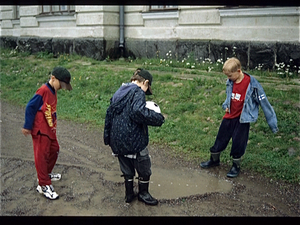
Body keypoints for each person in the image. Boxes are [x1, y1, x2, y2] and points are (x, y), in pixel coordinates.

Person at [200, 57, 278, 178]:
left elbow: (265, 104)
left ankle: (235, 166)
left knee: (238, 142)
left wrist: (272, 124)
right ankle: (214, 160)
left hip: (243, 119)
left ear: (239, 71)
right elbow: (229, 96)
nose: (228, 78)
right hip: (229, 116)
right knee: (220, 138)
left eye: (230, 75)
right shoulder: (230, 81)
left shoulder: (252, 84)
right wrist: (226, 105)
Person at [104, 68, 165, 205]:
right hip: (133, 138)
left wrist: (108, 137)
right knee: (144, 165)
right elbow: (137, 111)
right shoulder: (137, 91)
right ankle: (143, 193)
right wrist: (157, 118)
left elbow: (109, 114)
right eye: (147, 88)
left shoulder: (120, 91)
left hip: (117, 139)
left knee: (126, 166)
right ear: (146, 82)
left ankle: (129, 193)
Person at [22, 66, 72, 200]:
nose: (61, 87)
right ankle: (43, 184)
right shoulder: (43, 90)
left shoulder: (53, 91)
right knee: (41, 156)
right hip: (40, 130)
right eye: (60, 85)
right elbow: (30, 107)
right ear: (53, 78)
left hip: (49, 129)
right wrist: (27, 126)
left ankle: (46, 174)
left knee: (55, 149)